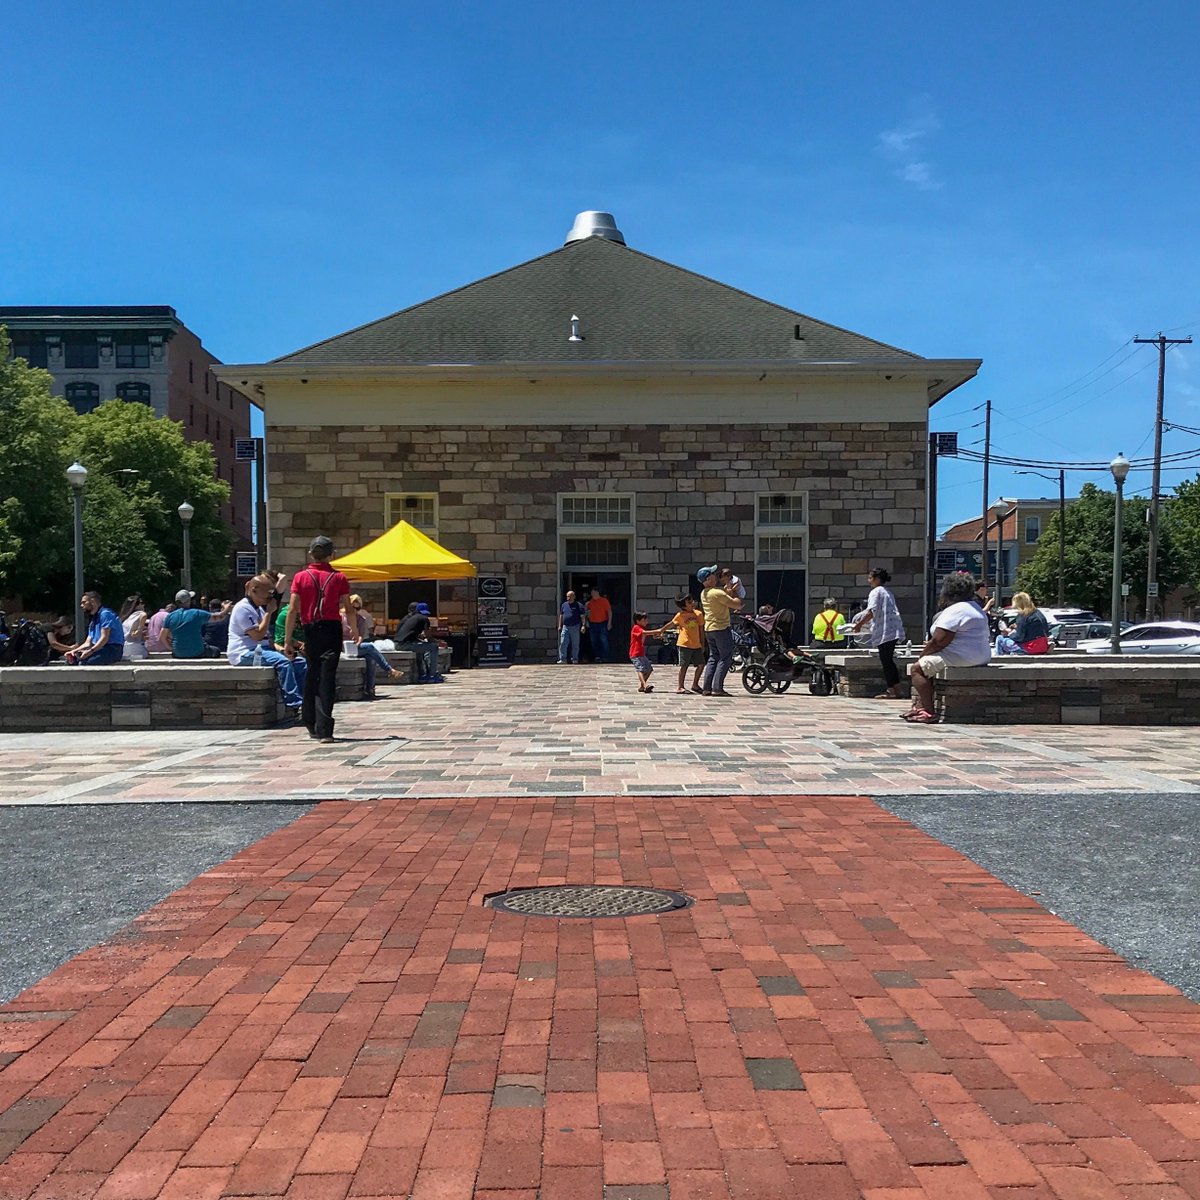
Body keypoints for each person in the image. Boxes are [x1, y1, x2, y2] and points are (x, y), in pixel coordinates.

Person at [284, 535, 354, 742]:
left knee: (312, 673)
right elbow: (348, 608)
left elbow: (293, 609)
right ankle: (325, 729)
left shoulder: (300, 576)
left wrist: (288, 640)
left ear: (310, 553)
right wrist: (355, 631)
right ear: (332, 554)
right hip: (331, 628)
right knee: (327, 677)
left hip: (310, 628)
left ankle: (310, 722)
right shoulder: (339, 577)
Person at [905, 572, 992, 723]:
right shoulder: (975, 607)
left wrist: (922, 655)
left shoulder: (957, 610)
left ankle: (929, 712)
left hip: (962, 657)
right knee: (929, 666)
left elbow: (940, 641)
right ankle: (920, 705)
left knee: (917, 669)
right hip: (980, 655)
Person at [227, 573, 306, 713]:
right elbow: (257, 636)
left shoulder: (259, 608)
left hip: (261, 650)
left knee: (299, 663)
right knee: (283, 663)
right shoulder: (243, 609)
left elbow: (267, 639)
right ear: (254, 590)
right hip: (244, 653)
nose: (270, 597)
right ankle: (294, 704)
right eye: (267, 593)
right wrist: (269, 614)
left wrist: (281, 650)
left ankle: (305, 698)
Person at [849, 567, 906, 700]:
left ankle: (892, 690)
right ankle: (897, 689)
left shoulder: (875, 592)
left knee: (886, 661)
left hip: (885, 630)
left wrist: (858, 625)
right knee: (889, 661)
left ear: (877, 579)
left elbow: (871, 612)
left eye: (870, 577)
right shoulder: (888, 592)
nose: (869, 581)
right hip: (893, 629)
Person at [344, 593, 399, 696]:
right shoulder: (341, 618)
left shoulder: (361, 619)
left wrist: (357, 642)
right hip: (342, 646)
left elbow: (360, 635)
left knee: (370, 657)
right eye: (353, 608)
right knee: (370, 647)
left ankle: (370, 689)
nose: (355, 610)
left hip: (354, 646)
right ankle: (388, 669)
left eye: (358, 608)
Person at [699, 566, 743, 697]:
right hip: (721, 628)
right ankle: (717, 688)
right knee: (725, 657)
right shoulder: (717, 593)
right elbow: (737, 604)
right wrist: (734, 592)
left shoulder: (705, 593)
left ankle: (707, 688)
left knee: (713, 657)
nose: (716, 575)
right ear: (708, 578)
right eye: (713, 574)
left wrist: (727, 591)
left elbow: (721, 598)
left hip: (709, 629)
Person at [162, 590, 227, 660]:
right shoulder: (196, 613)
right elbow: (219, 617)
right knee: (216, 650)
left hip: (178, 653)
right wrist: (226, 608)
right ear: (189, 601)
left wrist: (172, 648)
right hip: (198, 652)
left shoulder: (170, 616)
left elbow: (162, 637)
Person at [65, 591, 125, 665]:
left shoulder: (105, 614)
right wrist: (74, 651)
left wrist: (90, 651)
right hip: (98, 648)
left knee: (84, 663)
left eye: (84, 602)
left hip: (112, 649)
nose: (81, 605)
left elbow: (104, 638)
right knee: (72, 661)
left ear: (93, 601)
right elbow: (88, 643)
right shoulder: (94, 620)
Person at [393, 601, 442, 683]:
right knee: (434, 647)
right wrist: (438, 642)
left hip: (397, 644)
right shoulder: (424, 619)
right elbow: (429, 637)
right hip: (405, 645)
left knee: (419, 650)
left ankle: (422, 674)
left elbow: (409, 634)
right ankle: (432, 675)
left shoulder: (408, 618)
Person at [994, 591, 1051, 656]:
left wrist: (1009, 635)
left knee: (1000, 638)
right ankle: (1013, 653)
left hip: (1030, 647)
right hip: (1043, 646)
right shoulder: (1038, 613)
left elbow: (1019, 637)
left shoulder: (1023, 615)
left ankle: (999, 657)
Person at [670, 595, 706, 694]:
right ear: (684, 606)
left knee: (701, 665)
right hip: (684, 644)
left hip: (696, 644)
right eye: (689, 603)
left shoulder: (698, 614)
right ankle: (680, 686)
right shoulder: (680, 615)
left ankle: (695, 684)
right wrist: (660, 631)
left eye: (692, 601)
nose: (693, 603)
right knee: (684, 665)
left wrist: (703, 643)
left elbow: (701, 630)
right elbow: (671, 624)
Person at [629, 610, 668, 693]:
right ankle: (645, 685)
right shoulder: (636, 627)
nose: (646, 621)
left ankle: (642, 686)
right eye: (644, 620)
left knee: (649, 669)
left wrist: (656, 635)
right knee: (641, 669)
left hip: (641, 653)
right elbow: (644, 633)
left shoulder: (642, 628)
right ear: (638, 621)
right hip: (635, 653)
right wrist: (658, 631)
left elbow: (647, 634)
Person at [557, 589, 586, 664]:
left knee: (575, 644)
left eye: (570, 596)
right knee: (563, 643)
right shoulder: (564, 605)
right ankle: (563, 659)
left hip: (575, 626)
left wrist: (583, 625)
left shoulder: (579, 605)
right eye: (567, 596)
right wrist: (560, 625)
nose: (568, 598)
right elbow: (561, 615)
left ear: (574, 597)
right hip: (565, 626)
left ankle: (575, 659)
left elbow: (582, 616)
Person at [585, 587, 613, 662]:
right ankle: (597, 656)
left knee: (604, 641)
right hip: (592, 624)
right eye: (591, 593)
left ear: (597, 593)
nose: (592, 594)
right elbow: (586, 613)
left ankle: (605, 657)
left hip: (602, 623)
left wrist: (609, 623)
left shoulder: (604, 601)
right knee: (594, 641)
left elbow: (609, 612)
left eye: (593, 592)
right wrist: (586, 621)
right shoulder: (589, 602)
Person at [119, 595, 149, 661]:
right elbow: (144, 615)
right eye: (141, 603)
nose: (143, 605)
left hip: (123, 648)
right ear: (136, 605)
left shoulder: (124, 618)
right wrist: (139, 630)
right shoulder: (141, 614)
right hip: (135, 649)